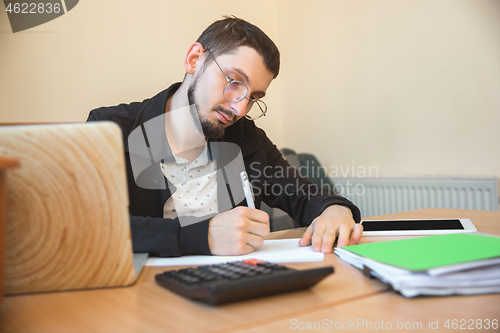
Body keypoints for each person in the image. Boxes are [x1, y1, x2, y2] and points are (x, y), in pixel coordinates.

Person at [87, 16, 363, 257]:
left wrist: (335, 209)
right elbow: (90, 227)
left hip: (225, 297)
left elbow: (303, 195)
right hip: (140, 298)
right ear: (194, 59)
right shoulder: (110, 128)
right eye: (233, 82)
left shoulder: (247, 139)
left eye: (254, 97)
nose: (240, 108)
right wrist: (203, 236)